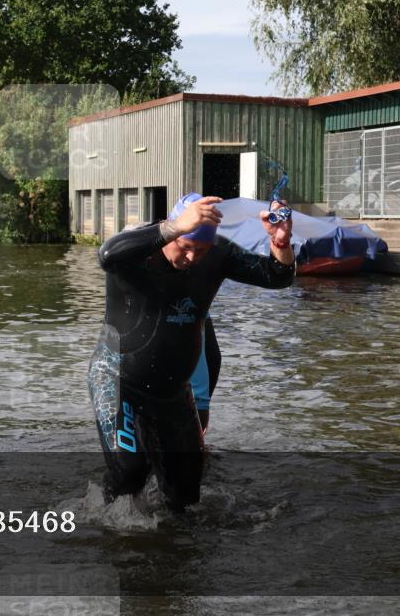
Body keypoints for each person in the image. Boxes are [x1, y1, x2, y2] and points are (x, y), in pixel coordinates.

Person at [88, 192, 294, 511]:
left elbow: (278, 277)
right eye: (185, 247)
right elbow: (106, 255)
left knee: (185, 493)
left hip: (172, 391)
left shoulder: (217, 255)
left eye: (201, 250)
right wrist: (176, 227)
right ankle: (105, 523)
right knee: (130, 473)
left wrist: (280, 243)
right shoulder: (138, 252)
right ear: (173, 230)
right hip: (118, 381)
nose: (191, 258)